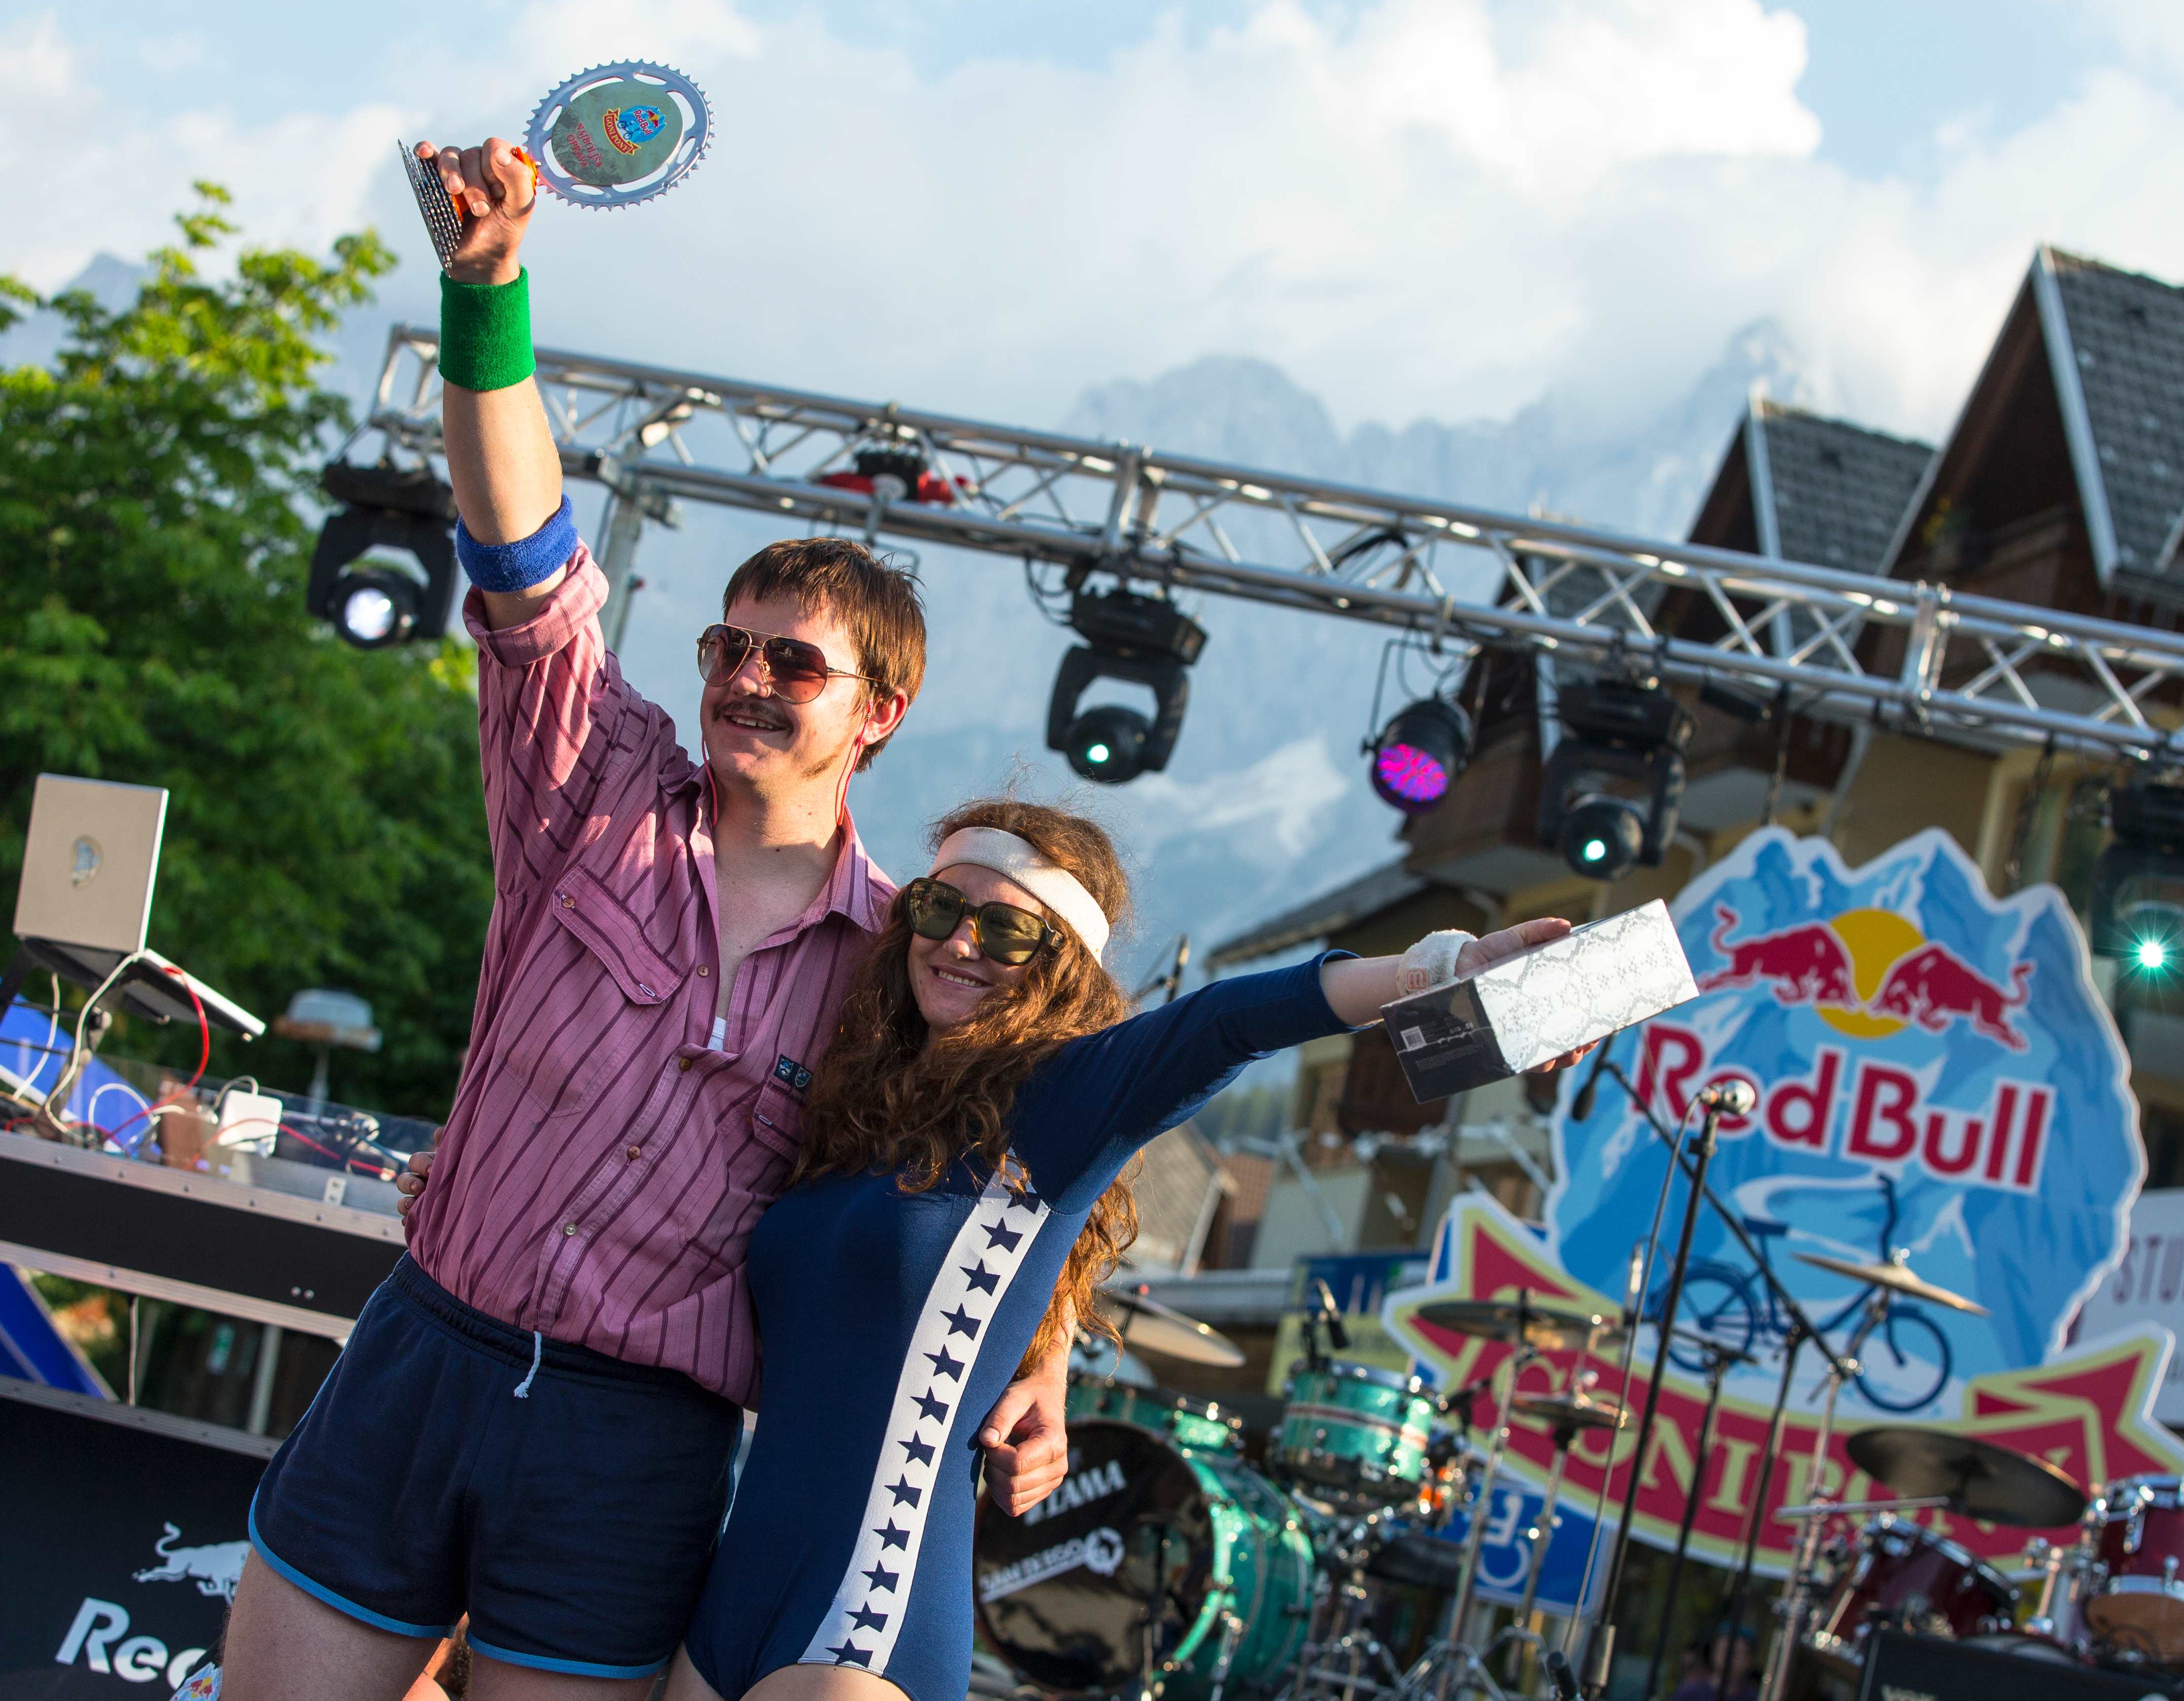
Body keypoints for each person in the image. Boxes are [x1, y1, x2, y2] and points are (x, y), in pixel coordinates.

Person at [211, 137, 1069, 1699]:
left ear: (879, 710)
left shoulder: (904, 962)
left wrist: (1050, 1356)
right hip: (423, 1357)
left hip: (634, 1450)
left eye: (791, 662)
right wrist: (488, 288)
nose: (745, 676)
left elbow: (1014, 1164)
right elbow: (523, 552)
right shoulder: (590, 784)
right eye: (728, 647)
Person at [658, 797, 1594, 1701]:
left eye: (1006, 930)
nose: (959, 943)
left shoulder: (1064, 1104)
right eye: (938, 908)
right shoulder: (861, 1105)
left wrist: (1445, 967)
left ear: (1059, 965)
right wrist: (1047, 1352)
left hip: (866, 1614)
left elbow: (1227, 1022)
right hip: (732, 1596)